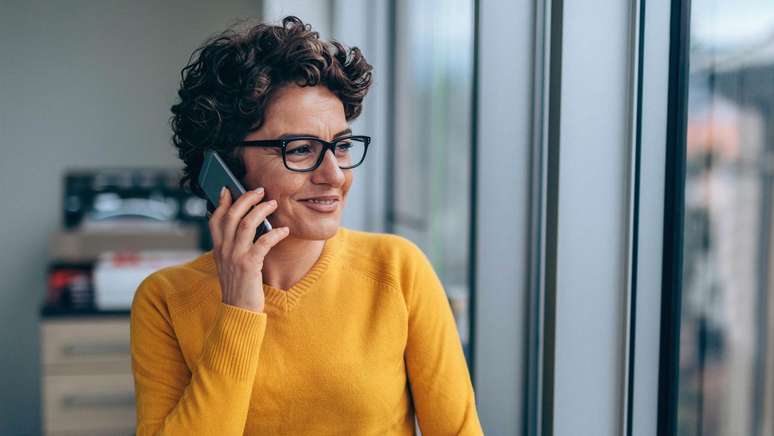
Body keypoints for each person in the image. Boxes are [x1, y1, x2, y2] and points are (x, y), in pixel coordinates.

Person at [130, 16, 483, 435]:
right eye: (300, 150)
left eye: (342, 146)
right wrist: (239, 310)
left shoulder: (398, 270)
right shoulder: (166, 301)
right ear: (224, 166)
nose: (335, 174)